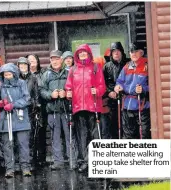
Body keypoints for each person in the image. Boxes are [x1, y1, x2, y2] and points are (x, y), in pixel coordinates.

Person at [65, 44, 106, 172]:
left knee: (94, 135)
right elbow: (68, 86)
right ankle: (84, 161)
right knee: (82, 136)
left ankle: (95, 160)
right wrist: (68, 93)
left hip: (93, 106)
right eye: (80, 53)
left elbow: (102, 86)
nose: (82, 55)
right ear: (77, 55)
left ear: (89, 54)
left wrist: (97, 91)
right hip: (78, 107)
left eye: (84, 53)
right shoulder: (73, 70)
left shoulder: (95, 67)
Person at [0, 63, 32, 178]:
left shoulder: (21, 84)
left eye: (9, 74)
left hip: (20, 119)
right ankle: (10, 168)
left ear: (14, 74)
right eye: (5, 74)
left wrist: (13, 104)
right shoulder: (0, 88)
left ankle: (25, 168)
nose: (7, 76)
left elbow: (27, 99)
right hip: (6, 121)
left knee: (23, 144)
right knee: (7, 145)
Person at [39, 50, 75, 170]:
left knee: (69, 135)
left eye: (57, 59)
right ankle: (58, 161)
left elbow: (76, 88)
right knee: (55, 137)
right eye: (52, 59)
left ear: (62, 59)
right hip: (52, 110)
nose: (54, 61)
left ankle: (72, 160)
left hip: (67, 109)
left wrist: (68, 93)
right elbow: (41, 91)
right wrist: (50, 95)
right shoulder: (46, 74)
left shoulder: (69, 72)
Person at [114, 43, 150, 139]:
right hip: (127, 107)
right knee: (128, 136)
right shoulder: (127, 66)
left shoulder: (148, 66)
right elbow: (119, 81)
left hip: (142, 106)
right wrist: (118, 86)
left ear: (141, 53)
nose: (133, 54)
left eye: (136, 51)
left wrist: (143, 89)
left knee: (143, 135)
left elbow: (155, 85)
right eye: (131, 52)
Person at [102, 42, 129, 139]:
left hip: (127, 100)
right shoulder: (106, 66)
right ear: (111, 54)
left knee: (127, 126)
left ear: (121, 52)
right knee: (113, 126)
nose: (116, 53)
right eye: (114, 52)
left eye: (118, 51)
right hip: (112, 103)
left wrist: (124, 90)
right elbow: (102, 83)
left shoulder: (128, 64)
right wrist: (109, 92)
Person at [25, 53, 45, 167]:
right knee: (31, 133)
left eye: (34, 59)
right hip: (30, 107)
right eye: (29, 60)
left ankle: (41, 157)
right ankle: (32, 158)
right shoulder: (25, 76)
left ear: (37, 61)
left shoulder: (43, 73)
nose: (32, 62)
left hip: (42, 105)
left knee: (41, 132)